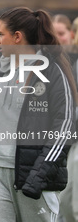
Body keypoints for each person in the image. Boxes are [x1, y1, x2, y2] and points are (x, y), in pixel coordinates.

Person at [0, 7, 77, 222]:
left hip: (33, 177)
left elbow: (64, 127)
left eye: (0, 34)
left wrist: (39, 173)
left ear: (17, 37)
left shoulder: (53, 72)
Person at [52, 14, 78, 222]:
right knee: (61, 207)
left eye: (60, 33)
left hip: (72, 142)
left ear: (71, 34)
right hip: (57, 144)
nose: (56, 39)